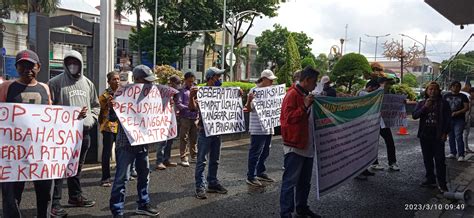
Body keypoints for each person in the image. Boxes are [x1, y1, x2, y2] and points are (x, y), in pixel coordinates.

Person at [0, 50, 54, 218]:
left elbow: (52, 116)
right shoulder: (6, 87)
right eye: (22, 65)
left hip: (40, 151)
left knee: (45, 193)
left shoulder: (45, 88)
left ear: (38, 67)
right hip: (13, 153)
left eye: (31, 65)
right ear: (16, 67)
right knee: (11, 195)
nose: (27, 69)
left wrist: (75, 118)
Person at [48, 50, 99, 216]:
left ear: (80, 64)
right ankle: (54, 204)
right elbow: (49, 108)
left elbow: (95, 105)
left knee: (76, 168)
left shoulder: (88, 84)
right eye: (69, 62)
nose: (72, 65)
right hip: (62, 134)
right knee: (59, 169)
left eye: (75, 62)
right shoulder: (55, 83)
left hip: (83, 133)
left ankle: (75, 196)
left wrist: (91, 118)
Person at [109, 65, 160, 217]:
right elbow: (112, 119)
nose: (150, 84)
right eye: (147, 81)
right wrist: (114, 108)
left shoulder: (151, 95)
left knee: (144, 174)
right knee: (122, 178)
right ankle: (117, 210)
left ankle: (143, 204)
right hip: (126, 143)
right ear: (137, 80)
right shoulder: (122, 94)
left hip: (142, 142)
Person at [280, 66, 320, 218]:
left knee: (305, 182)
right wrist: (304, 106)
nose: (315, 85)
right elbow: (288, 118)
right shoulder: (292, 95)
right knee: (290, 182)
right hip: (295, 146)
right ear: (307, 80)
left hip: (306, 145)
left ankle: (301, 207)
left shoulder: (306, 94)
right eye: (314, 82)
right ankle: (286, 213)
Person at [189, 67, 229, 199]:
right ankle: (200, 186)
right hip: (205, 131)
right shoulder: (201, 91)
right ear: (211, 78)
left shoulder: (221, 92)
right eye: (217, 77)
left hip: (217, 130)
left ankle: (212, 182)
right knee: (202, 160)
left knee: (215, 160)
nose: (219, 79)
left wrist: (237, 94)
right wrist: (191, 97)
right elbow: (193, 108)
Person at [413, 81, 451, 192]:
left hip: (438, 135)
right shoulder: (422, 103)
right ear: (427, 91)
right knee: (427, 159)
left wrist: (445, 133)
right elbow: (415, 116)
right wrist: (425, 107)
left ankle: (442, 183)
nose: (432, 91)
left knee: (439, 160)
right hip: (425, 135)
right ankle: (430, 179)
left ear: (439, 91)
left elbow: (448, 119)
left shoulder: (444, 103)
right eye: (430, 89)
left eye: (435, 89)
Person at [245, 69, 278, 187]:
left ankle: (260, 171)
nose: (272, 82)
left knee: (265, 151)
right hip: (257, 128)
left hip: (268, 127)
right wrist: (249, 100)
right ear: (264, 79)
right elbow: (248, 109)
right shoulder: (254, 91)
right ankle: (251, 176)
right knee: (255, 152)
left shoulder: (271, 91)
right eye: (270, 80)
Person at [370, 77, 400, 171]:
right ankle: (374, 163)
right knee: (373, 143)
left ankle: (392, 162)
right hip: (373, 122)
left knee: (390, 142)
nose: (387, 85)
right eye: (385, 83)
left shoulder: (387, 93)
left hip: (383, 122)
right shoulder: (373, 93)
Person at [355, 80, 380, 180]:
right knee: (360, 150)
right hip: (360, 126)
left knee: (365, 150)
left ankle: (364, 170)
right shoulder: (362, 93)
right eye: (374, 89)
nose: (375, 91)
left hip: (365, 125)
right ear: (370, 87)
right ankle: (358, 172)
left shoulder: (365, 94)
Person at [99, 71, 121, 187]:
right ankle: (105, 178)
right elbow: (99, 110)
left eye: (118, 79)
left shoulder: (122, 94)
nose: (117, 81)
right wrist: (107, 104)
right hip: (108, 126)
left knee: (120, 151)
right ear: (109, 81)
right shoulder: (104, 96)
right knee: (107, 152)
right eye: (114, 79)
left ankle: (120, 175)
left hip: (120, 126)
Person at [155, 75, 180, 170]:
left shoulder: (174, 93)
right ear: (171, 83)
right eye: (177, 83)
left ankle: (167, 160)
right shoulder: (163, 91)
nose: (178, 85)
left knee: (170, 141)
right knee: (162, 142)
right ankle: (159, 161)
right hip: (162, 120)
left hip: (170, 120)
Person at [175, 72, 199, 167]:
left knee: (194, 138)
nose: (191, 83)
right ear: (185, 80)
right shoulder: (181, 90)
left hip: (194, 117)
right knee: (183, 138)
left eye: (192, 82)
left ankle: (194, 155)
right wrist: (189, 107)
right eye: (189, 81)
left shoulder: (196, 89)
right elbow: (178, 104)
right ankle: (183, 157)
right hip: (185, 117)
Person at [443, 81, 470, 161]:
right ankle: (453, 153)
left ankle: (461, 154)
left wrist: (457, 112)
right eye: (454, 86)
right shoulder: (446, 96)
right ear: (451, 87)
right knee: (451, 136)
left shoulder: (463, 96)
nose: (455, 88)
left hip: (459, 119)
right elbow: (442, 107)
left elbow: (466, 108)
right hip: (449, 119)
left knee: (458, 136)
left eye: (457, 86)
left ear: (460, 87)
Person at [461, 84, 473, 153]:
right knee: (465, 134)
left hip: (470, 118)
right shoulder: (467, 99)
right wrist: (465, 119)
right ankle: (466, 148)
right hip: (467, 119)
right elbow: (467, 111)